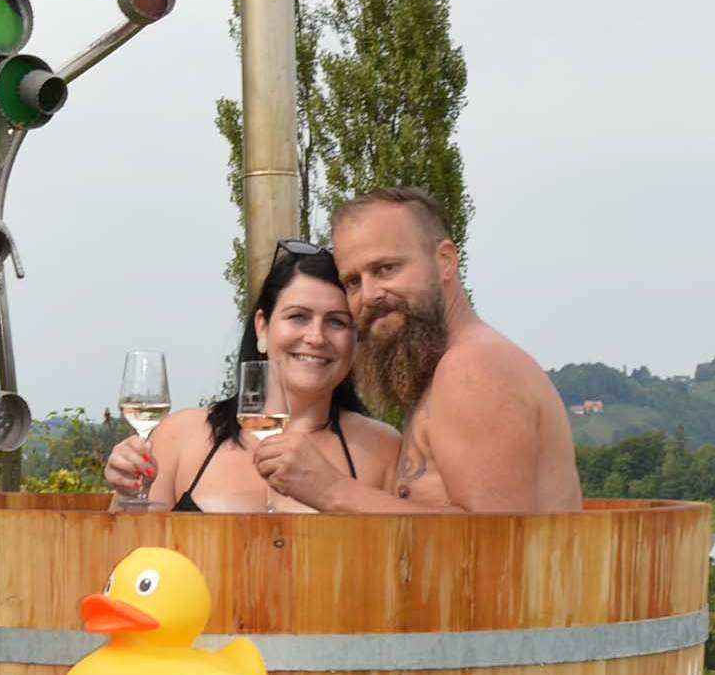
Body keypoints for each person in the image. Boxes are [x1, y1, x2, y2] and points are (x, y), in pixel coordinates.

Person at [252, 187, 582, 514]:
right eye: (353, 281)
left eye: (386, 269)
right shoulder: (445, 370)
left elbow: (496, 544)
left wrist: (332, 490)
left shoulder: (473, 368)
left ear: (445, 261)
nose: (369, 295)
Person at [104, 243, 398, 512]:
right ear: (262, 328)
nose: (316, 337)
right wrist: (126, 491)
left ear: (355, 339)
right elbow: (127, 557)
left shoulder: (383, 450)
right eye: (298, 316)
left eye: (337, 322)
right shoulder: (181, 436)